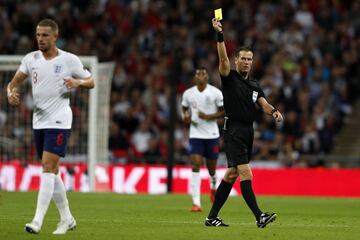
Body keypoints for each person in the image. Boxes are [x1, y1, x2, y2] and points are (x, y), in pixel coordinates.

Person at [7, 19, 95, 234]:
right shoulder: (31, 59)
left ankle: (37, 220)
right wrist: (10, 92)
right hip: (39, 120)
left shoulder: (69, 60)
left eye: (45, 35)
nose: (40, 39)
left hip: (60, 119)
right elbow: (14, 83)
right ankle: (67, 218)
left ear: (55, 36)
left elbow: (91, 81)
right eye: (38, 35)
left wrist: (78, 83)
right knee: (52, 171)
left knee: (47, 166)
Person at [205, 18, 283, 227]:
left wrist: (273, 111)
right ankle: (259, 216)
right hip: (233, 130)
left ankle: (211, 218)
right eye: (243, 58)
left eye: (249, 59)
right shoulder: (229, 77)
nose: (247, 61)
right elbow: (222, 60)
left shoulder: (255, 85)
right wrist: (219, 35)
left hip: (248, 131)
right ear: (236, 60)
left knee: (231, 175)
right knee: (245, 172)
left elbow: (263, 103)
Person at [181, 67, 224, 212]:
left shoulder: (215, 93)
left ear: (207, 77)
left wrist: (209, 116)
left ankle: (213, 186)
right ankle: (196, 203)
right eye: (198, 73)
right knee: (196, 164)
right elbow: (184, 108)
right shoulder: (188, 93)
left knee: (211, 170)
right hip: (196, 135)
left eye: (203, 73)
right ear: (195, 77)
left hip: (212, 135)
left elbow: (224, 111)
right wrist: (185, 117)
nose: (200, 76)